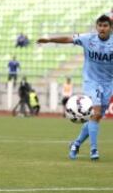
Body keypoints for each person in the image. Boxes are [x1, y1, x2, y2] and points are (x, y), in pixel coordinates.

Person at [37, 14, 113, 161]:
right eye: (100, 25)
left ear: (110, 28)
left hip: (109, 83)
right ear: (97, 27)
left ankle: (75, 144)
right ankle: (94, 150)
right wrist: (49, 40)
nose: (102, 28)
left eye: (105, 26)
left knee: (95, 117)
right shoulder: (88, 39)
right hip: (92, 81)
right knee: (96, 112)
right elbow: (68, 39)